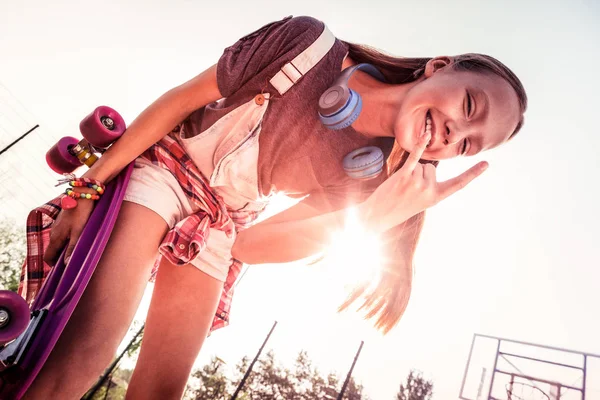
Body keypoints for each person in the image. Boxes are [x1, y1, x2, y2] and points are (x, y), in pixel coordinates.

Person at [22, 15, 527, 399]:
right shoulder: (307, 45)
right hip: (166, 168)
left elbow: (248, 245)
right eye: (467, 107)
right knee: (82, 357)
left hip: (220, 224)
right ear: (438, 68)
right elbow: (178, 102)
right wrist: (84, 190)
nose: (454, 134)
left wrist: (375, 218)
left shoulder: (368, 176)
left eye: (467, 145)